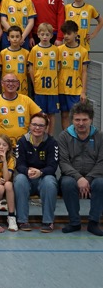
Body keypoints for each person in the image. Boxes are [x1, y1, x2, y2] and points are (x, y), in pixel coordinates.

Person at [58, 101, 103, 236]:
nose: (81, 123)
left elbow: (101, 162)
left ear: (91, 120)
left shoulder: (100, 136)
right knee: (67, 183)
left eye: (85, 120)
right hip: (72, 176)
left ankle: (93, 222)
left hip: (94, 176)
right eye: (77, 120)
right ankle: (74, 222)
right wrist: (78, 178)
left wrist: (87, 179)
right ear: (72, 120)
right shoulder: (64, 136)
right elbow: (63, 162)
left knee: (101, 183)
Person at [14, 112, 58, 232]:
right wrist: (27, 171)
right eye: (34, 124)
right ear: (29, 125)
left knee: (50, 182)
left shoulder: (52, 143)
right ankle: (22, 220)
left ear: (46, 127)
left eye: (41, 125)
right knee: (19, 179)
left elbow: (53, 166)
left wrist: (40, 172)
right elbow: (19, 164)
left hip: (44, 177)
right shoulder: (22, 141)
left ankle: (48, 221)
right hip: (27, 177)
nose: (37, 128)